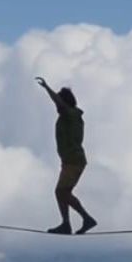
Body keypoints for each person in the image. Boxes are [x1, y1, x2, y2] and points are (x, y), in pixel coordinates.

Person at [36, 76, 97, 234]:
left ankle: (83, 219)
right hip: (70, 161)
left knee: (61, 192)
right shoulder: (72, 116)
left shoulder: (70, 115)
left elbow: (58, 102)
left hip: (73, 161)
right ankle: (68, 223)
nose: (57, 106)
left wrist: (47, 88)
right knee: (63, 192)